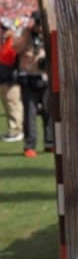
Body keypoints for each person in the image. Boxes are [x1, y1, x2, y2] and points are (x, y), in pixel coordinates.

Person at [14, 12, 50, 156]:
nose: (40, 27)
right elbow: (15, 48)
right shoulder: (26, 34)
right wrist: (24, 33)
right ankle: (30, 145)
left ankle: (50, 142)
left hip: (45, 77)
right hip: (29, 78)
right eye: (38, 24)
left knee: (49, 113)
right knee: (30, 114)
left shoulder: (48, 34)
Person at [0, 18, 22, 142]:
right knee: (8, 105)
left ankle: (17, 131)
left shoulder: (14, 42)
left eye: (5, 29)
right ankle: (12, 129)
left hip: (11, 80)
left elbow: (14, 62)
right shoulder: (6, 42)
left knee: (13, 105)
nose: (3, 31)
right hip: (3, 79)